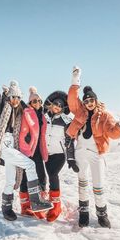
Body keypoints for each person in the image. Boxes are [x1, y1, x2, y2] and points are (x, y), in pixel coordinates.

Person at [0, 49, 52, 221]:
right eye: (12, 97)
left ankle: (6, 209)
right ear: (8, 97)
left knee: (9, 180)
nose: (14, 100)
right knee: (29, 165)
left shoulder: (21, 110)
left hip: (13, 148)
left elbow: (34, 111)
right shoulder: (2, 106)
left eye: (17, 98)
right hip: (2, 146)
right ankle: (36, 201)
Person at [66, 66, 120, 228]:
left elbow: (114, 134)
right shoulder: (80, 113)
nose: (89, 103)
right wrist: (75, 80)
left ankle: (101, 214)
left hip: (96, 154)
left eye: (91, 100)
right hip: (80, 154)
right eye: (86, 101)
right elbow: (72, 99)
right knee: (82, 183)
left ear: (96, 100)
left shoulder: (105, 116)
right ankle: (84, 212)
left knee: (98, 186)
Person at [43, 90, 79, 222]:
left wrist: (71, 158)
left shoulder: (66, 121)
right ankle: (47, 201)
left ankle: (56, 206)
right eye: (55, 104)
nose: (57, 107)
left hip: (59, 154)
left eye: (60, 105)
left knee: (53, 175)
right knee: (46, 176)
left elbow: (69, 141)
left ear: (63, 108)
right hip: (46, 153)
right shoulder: (44, 117)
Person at [19, 86, 48, 219]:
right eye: (34, 101)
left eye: (39, 101)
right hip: (27, 150)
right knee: (25, 178)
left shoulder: (42, 116)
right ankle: (25, 207)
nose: (37, 103)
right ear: (30, 103)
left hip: (38, 151)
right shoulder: (26, 112)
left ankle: (41, 202)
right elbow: (23, 132)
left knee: (42, 177)